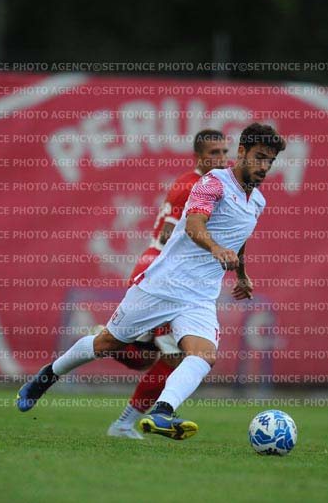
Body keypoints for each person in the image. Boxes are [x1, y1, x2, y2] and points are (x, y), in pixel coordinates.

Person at [17, 123, 286, 440]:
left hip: (199, 298)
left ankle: (162, 412)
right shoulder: (212, 183)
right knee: (109, 344)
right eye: (259, 157)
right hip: (163, 285)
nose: (264, 166)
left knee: (203, 356)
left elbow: (238, 237)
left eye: (270, 161)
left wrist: (241, 274)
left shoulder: (257, 202)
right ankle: (48, 376)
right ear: (241, 152)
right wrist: (215, 249)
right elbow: (194, 226)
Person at [106, 129, 229, 439]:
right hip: (163, 278)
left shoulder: (205, 184)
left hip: (170, 277)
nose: (221, 159)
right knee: (174, 358)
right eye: (214, 153)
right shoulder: (192, 186)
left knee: (147, 357)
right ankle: (124, 422)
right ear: (198, 157)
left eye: (225, 152)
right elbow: (167, 235)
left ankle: (108, 343)